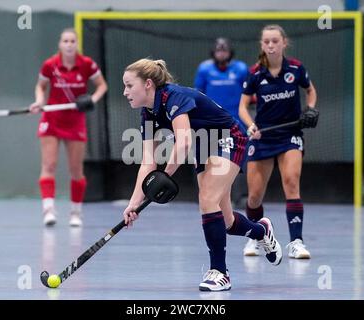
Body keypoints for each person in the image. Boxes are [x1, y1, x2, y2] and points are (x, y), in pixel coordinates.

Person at [121, 58, 282, 291]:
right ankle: (261, 230)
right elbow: (147, 162)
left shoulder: (173, 97)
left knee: (207, 200)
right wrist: (133, 204)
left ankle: (220, 272)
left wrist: (164, 176)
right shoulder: (148, 114)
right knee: (225, 221)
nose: (125, 92)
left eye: (128, 85)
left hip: (228, 137)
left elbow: (183, 141)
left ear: (147, 84)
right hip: (204, 147)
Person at [238, 24, 318, 259]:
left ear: (284, 42)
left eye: (275, 41)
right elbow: (242, 106)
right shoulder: (255, 73)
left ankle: (296, 242)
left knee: (292, 183)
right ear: (262, 45)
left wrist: (310, 109)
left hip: (290, 134)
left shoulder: (296, 68)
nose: (271, 45)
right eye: (267, 42)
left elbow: (310, 91)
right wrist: (250, 125)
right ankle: (255, 237)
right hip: (263, 136)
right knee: (254, 196)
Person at [29, 28, 108, 227]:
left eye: (72, 41)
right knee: (49, 165)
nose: (69, 44)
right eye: (65, 41)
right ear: (60, 44)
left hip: (75, 121)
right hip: (52, 119)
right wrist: (39, 101)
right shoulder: (50, 65)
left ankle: (75, 212)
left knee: (76, 170)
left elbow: (102, 86)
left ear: (77, 43)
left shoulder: (87, 64)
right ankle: (48, 210)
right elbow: (40, 86)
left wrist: (91, 100)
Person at [194, 37, 249, 127]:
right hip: (212, 119)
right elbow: (198, 94)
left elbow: (249, 93)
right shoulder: (204, 69)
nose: (221, 54)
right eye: (218, 51)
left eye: (225, 51)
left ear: (230, 52)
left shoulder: (241, 68)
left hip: (237, 119)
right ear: (213, 52)